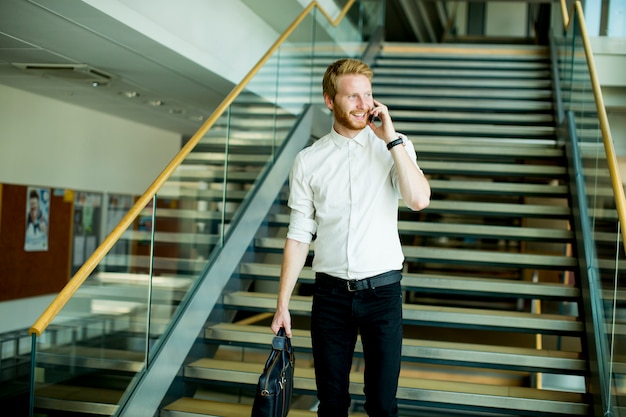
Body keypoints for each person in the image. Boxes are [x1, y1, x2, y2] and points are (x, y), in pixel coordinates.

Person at [270, 58, 431, 417]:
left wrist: (391, 138)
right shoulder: (309, 160)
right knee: (331, 405)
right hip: (330, 298)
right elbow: (299, 235)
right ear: (330, 100)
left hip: (383, 295)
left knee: (382, 405)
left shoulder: (395, 148)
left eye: (368, 95)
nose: (364, 105)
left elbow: (419, 200)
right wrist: (283, 303)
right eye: (353, 97)